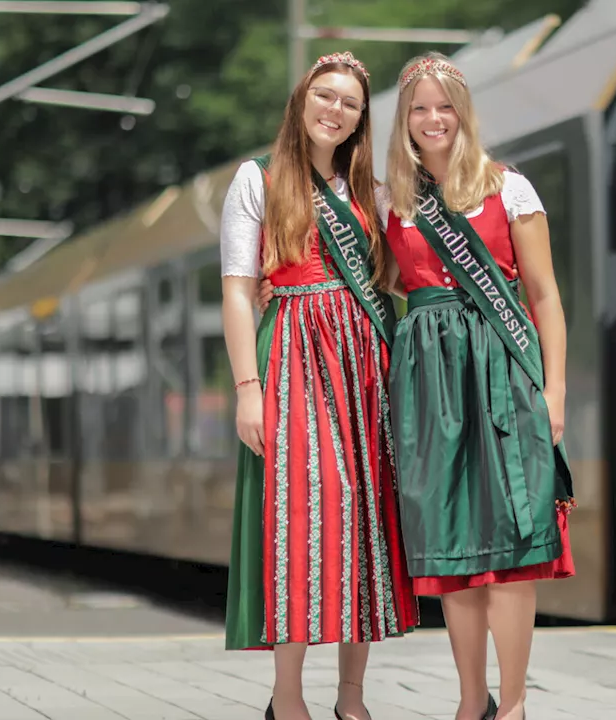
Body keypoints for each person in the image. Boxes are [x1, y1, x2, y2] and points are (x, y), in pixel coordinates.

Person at [221, 51, 419, 720]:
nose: (336, 110)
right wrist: (248, 387)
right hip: (292, 359)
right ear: (302, 101)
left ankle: (352, 698)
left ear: (362, 119)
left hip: (363, 370)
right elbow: (239, 293)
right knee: (306, 517)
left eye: (351, 104)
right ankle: (286, 698)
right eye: (326, 96)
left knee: (362, 516)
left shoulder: (369, 193)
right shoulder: (259, 178)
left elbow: (397, 280)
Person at [385, 50, 575, 720]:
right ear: (404, 121)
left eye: (445, 107)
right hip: (429, 390)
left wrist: (553, 393)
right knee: (451, 548)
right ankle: (473, 702)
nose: (433, 120)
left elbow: (546, 298)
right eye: (420, 109)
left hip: (502, 376)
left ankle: (515, 704)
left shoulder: (509, 189)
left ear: (463, 115)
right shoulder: (392, 203)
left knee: (513, 547)